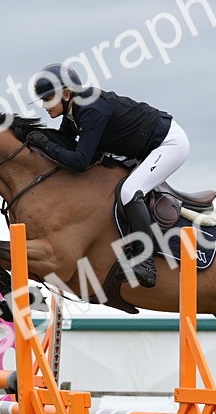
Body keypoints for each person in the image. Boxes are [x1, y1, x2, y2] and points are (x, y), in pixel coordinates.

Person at [25, 63, 190, 288]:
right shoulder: (74, 112)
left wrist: (45, 143)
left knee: (130, 191)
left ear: (65, 94)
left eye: (47, 99)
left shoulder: (91, 109)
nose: (44, 106)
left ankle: (146, 263)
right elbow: (63, 141)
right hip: (148, 148)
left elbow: (79, 161)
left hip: (169, 144)